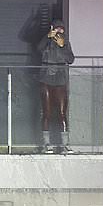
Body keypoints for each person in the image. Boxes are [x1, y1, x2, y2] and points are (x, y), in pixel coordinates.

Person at [37, 19, 75, 153]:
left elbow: (70, 59)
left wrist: (62, 46)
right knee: (46, 112)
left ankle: (64, 144)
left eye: (61, 29)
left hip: (61, 80)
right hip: (46, 79)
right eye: (57, 29)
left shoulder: (65, 43)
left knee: (62, 113)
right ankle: (46, 144)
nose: (59, 32)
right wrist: (47, 37)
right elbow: (39, 48)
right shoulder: (47, 42)